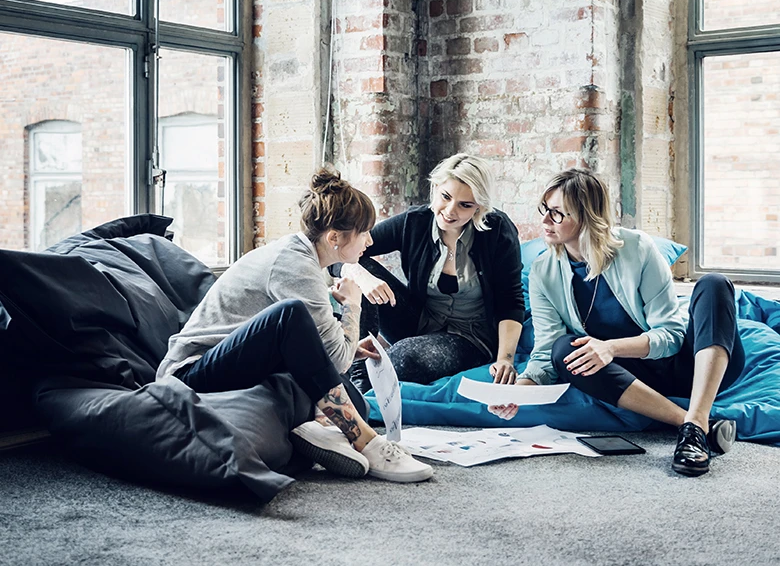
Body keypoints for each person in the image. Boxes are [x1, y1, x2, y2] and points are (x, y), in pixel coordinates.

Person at [156, 168, 433, 483]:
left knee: (356, 403)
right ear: (334, 238)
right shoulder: (295, 266)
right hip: (190, 374)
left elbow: (330, 355)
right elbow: (335, 360)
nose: (370, 240)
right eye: (364, 232)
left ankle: (326, 429)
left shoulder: (304, 257)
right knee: (291, 315)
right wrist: (352, 304)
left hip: (234, 360)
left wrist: (351, 348)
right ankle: (367, 442)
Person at [489, 168, 744, 477]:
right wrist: (519, 391)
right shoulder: (543, 270)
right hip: (633, 380)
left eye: (557, 214)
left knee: (715, 284)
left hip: (692, 367)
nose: (544, 221)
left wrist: (610, 348)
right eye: (545, 210)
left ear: (587, 216)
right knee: (563, 350)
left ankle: (699, 413)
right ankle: (692, 426)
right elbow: (545, 352)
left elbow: (672, 334)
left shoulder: (637, 248)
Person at [337, 153, 525, 390]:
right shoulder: (415, 222)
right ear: (435, 187)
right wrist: (362, 276)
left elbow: (511, 301)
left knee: (402, 359)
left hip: (471, 338)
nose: (449, 210)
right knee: (358, 269)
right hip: (417, 320)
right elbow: (340, 252)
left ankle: (364, 389)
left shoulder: (497, 231)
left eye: (465, 205)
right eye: (445, 196)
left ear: (479, 207)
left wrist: (504, 360)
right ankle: (359, 385)